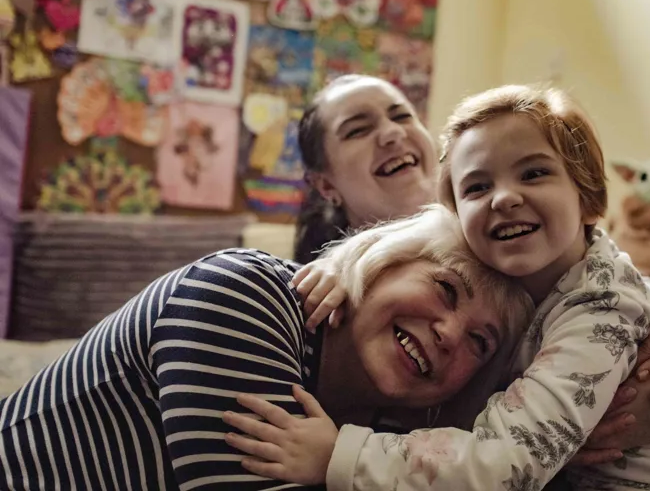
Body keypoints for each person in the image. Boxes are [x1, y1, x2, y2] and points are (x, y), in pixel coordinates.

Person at [239, 85, 650, 490]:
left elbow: (511, 458)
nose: (504, 198)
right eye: (479, 186)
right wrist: (341, 264)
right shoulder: (300, 286)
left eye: (401, 114)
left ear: (589, 199)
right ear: (324, 183)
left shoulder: (576, 289)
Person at [0, 206, 536, 490]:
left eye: (480, 342)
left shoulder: (391, 435)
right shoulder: (248, 295)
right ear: (381, 263)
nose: (449, 334)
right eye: (444, 289)